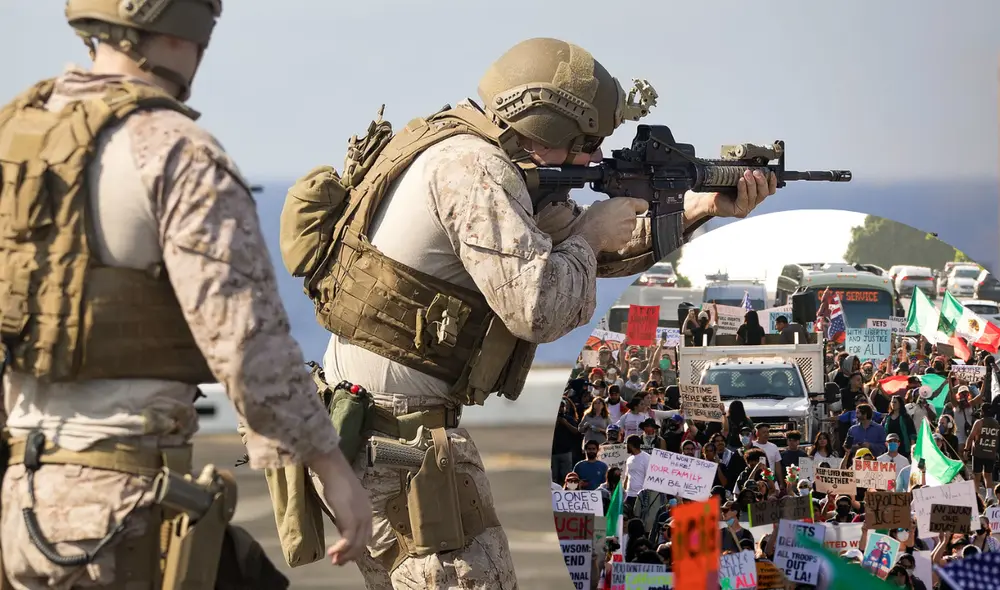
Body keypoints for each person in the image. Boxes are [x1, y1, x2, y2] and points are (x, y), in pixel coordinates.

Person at [282, 36, 776, 586]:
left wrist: (702, 207)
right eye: (586, 142)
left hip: (372, 434)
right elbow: (539, 306)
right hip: (397, 451)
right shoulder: (477, 172)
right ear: (547, 125)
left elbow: (566, 252)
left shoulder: (460, 145)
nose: (593, 159)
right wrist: (588, 237)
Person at [0, 3, 373, 588]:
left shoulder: (16, 135)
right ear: (188, 29)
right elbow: (248, 342)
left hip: (22, 503)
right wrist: (331, 467)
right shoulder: (176, 150)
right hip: (122, 511)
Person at [965, 401, 1000, 500]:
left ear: (983, 412)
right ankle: (989, 496)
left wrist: (966, 450)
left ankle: (977, 496)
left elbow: (971, 437)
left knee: (977, 475)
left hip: (978, 452)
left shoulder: (979, 422)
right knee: (988, 475)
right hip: (991, 453)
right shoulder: (996, 423)